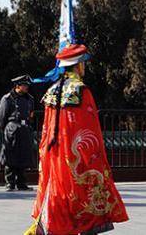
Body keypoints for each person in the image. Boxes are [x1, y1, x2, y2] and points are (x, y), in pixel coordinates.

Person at [27, 44, 128, 235]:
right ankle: (86, 226)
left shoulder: (52, 90)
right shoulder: (81, 90)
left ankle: (54, 226)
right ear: (78, 65)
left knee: (59, 191)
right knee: (82, 190)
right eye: (83, 64)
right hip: (76, 152)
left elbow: (46, 129)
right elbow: (90, 128)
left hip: (54, 153)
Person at [0, 74, 35, 191]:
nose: (26, 87)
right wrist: (7, 128)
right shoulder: (7, 98)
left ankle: (22, 183)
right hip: (12, 128)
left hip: (24, 128)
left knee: (23, 156)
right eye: (24, 85)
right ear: (17, 86)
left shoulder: (29, 99)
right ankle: (10, 182)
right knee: (10, 156)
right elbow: (1, 116)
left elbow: (31, 114)